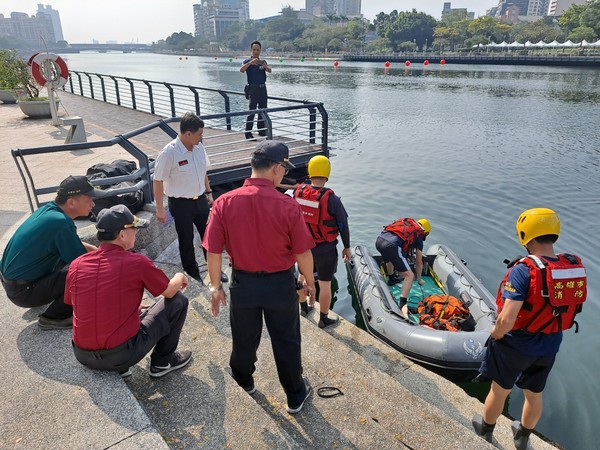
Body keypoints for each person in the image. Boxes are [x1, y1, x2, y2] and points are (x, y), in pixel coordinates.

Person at [203, 140, 316, 414]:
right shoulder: (287, 206)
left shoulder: (223, 202)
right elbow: (303, 253)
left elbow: (213, 251)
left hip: (243, 283)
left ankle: (244, 380)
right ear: (276, 169)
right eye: (284, 169)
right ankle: (294, 395)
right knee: (286, 339)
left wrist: (216, 286)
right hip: (279, 284)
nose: (284, 174)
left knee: (244, 337)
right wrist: (309, 282)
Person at [472, 208, 587, 450]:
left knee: (500, 389)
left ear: (525, 234)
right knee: (534, 394)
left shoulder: (524, 270)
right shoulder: (571, 266)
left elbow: (508, 317)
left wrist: (497, 334)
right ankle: (522, 436)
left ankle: (485, 431)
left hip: (516, 344)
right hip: (550, 343)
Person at [65, 205, 192, 379]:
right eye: (134, 229)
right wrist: (179, 276)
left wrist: (128, 308)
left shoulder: (77, 264)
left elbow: (77, 304)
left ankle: (121, 369)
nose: (137, 233)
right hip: (122, 355)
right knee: (179, 301)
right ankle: (163, 362)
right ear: (122, 234)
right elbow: (170, 292)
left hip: (82, 355)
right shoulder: (136, 262)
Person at [0, 175, 105, 329]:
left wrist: (95, 250)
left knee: (86, 262)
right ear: (71, 202)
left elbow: (71, 241)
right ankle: (53, 317)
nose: (93, 203)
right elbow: (84, 263)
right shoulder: (61, 223)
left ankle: (46, 295)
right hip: (24, 292)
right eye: (89, 199)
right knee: (90, 272)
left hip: (13, 284)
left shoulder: (48, 210)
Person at [153, 112, 227, 284]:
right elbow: (157, 180)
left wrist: (209, 194)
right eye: (199, 134)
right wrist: (159, 208)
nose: (201, 137)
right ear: (188, 134)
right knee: (186, 239)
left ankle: (214, 269)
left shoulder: (199, 148)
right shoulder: (169, 153)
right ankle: (192, 272)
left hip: (200, 199)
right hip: (180, 204)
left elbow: (204, 172)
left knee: (209, 236)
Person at [294, 155, 350, 327]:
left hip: (304, 247)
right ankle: (324, 318)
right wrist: (347, 247)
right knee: (325, 284)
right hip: (325, 249)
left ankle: (304, 307)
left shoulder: (298, 193)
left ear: (310, 172)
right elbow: (343, 225)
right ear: (327, 173)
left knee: (302, 276)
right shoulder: (332, 199)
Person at [375, 217, 431, 309]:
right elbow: (419, 262)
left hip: (379, 240)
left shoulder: (406, 225)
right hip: (392, 245)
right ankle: (403, 305)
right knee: (410, 275)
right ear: (426, 232)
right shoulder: (419, 235)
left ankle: (392, 279)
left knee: (390, 259)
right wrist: (420, 279)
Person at [240, 40, 271, 140]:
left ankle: (261, 131)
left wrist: (266, 67)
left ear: (260, 50)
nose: (256, 51)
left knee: (263, 111)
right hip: (253, 89)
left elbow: (270, 71)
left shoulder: (262, 62)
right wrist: (250, 63)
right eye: (254, 50)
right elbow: (241, 70)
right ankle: (248, 134)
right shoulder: (247, 62)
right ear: (251, 50)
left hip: (263, 88)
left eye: (257, 50)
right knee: (252, 111)